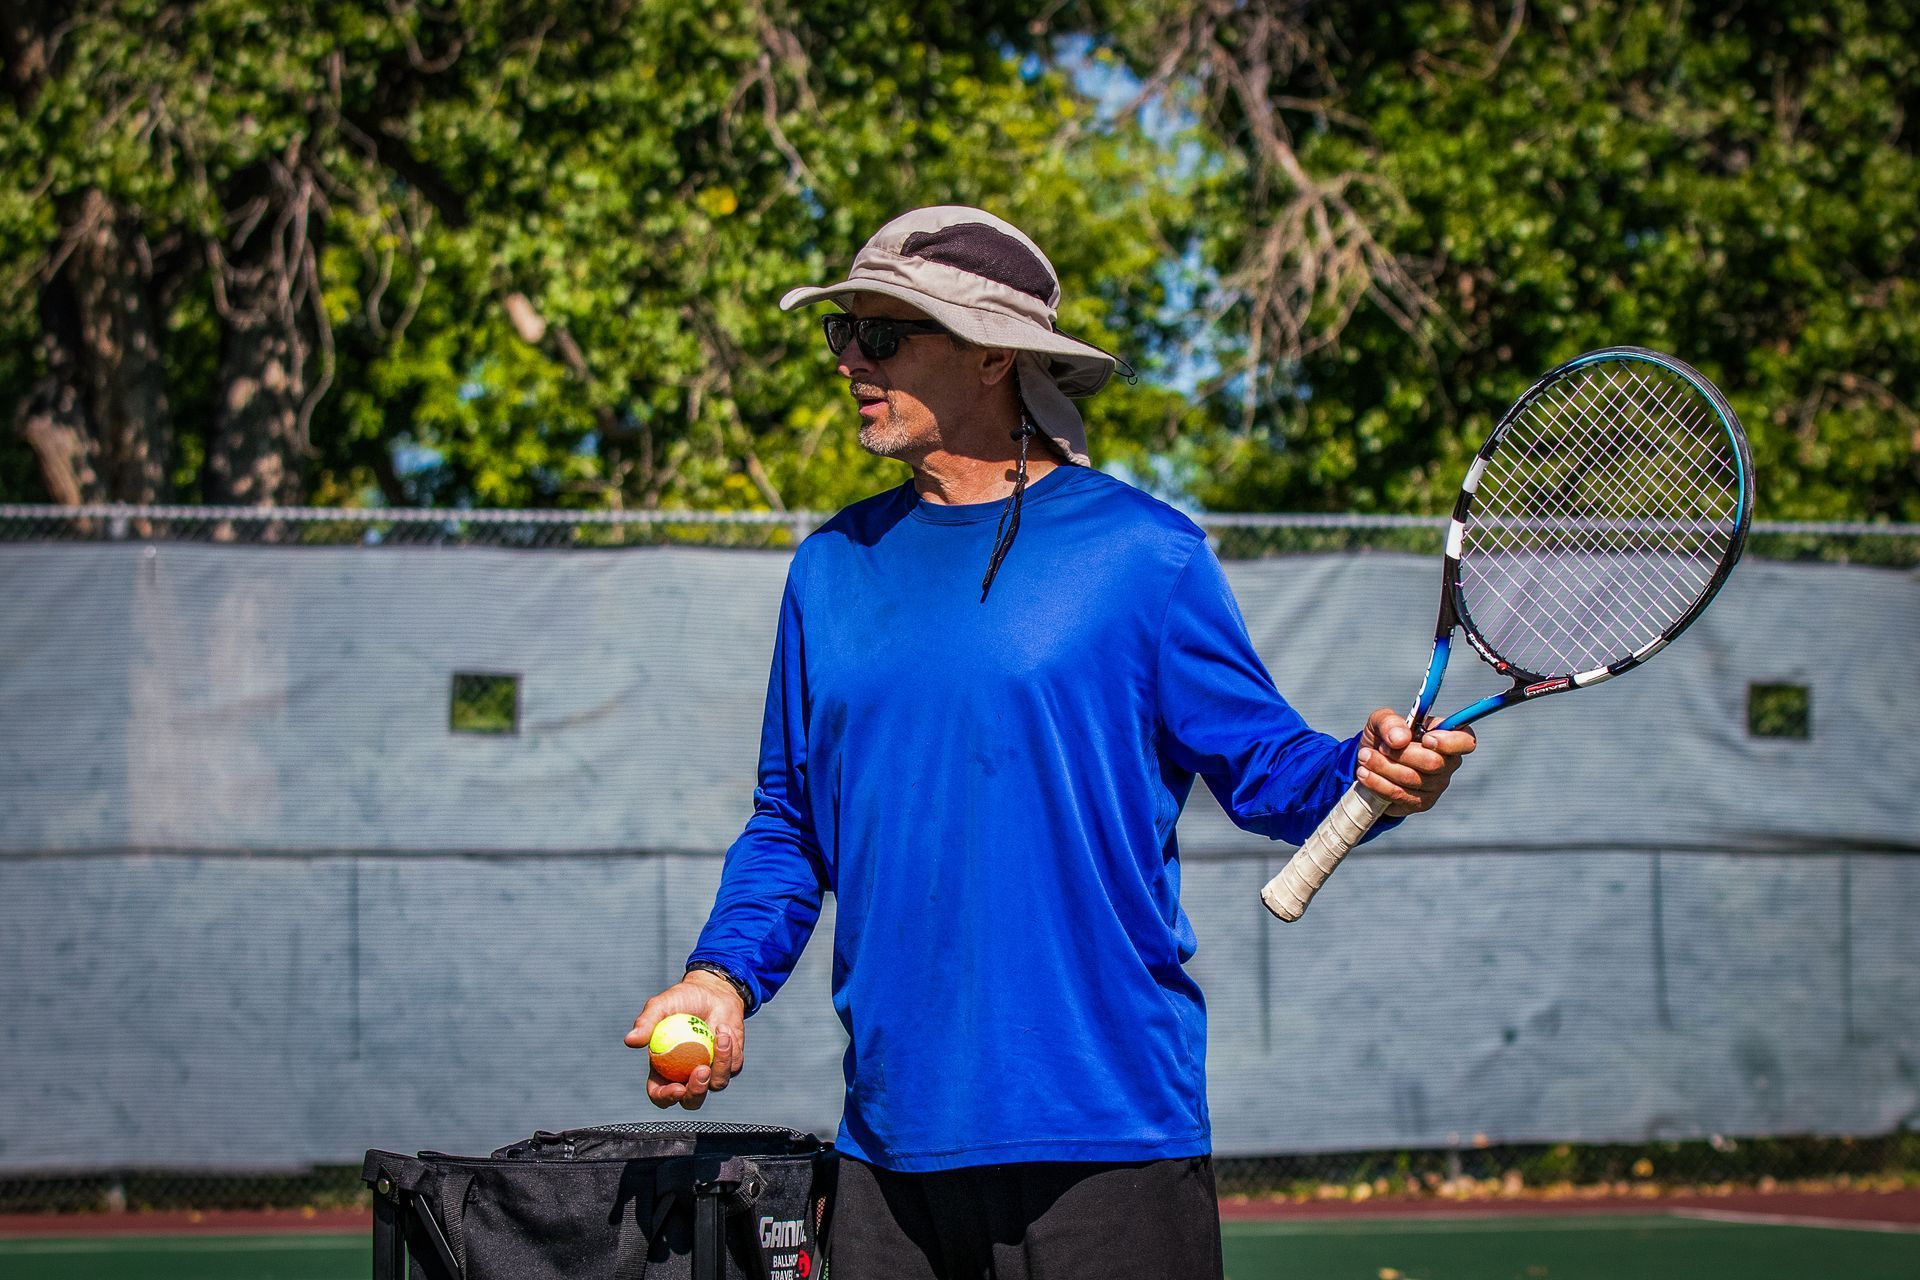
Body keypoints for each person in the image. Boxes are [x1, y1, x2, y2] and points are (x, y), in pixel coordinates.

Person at [625, 206, 1476, 1279]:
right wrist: (720, 974)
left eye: (883, 334)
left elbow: (1271, 772)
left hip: (1109, 1148)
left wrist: (1370, 772)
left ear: (993, 355)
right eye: (843, 332)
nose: (850, 360)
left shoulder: (1146, 556)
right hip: (890, 1148)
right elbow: (791, 824)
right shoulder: (829, 570)